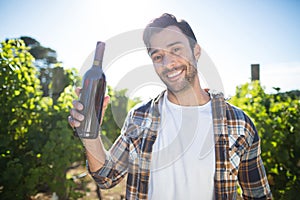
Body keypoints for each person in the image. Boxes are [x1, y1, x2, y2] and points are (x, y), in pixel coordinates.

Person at [68, 13, 272, 199]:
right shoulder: (139, 118)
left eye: (176, 49)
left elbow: (258, 195)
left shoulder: (239, 124)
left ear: (196, 50)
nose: (168, 62)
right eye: (158, 56)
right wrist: (90, 136)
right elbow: (107, 177)